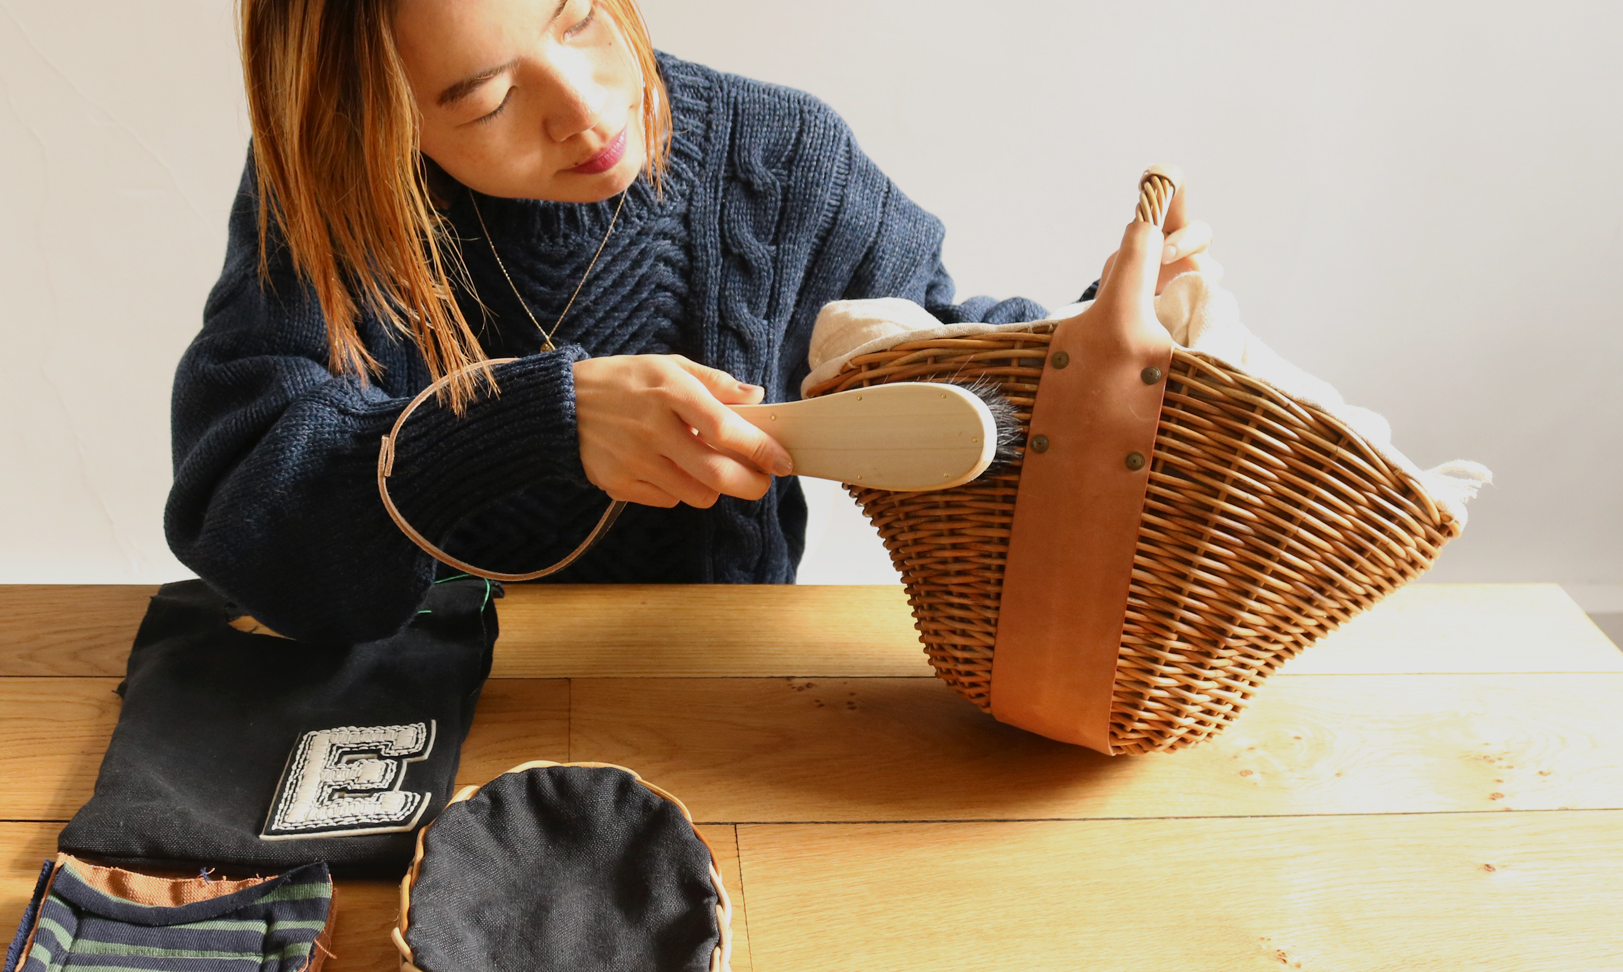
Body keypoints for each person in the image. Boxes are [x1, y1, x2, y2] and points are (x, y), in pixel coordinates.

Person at [167, 0, 1210, 643]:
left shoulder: (777, 157)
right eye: (486, 101)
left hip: (717, 701)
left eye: (576, 16)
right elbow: (242, 519)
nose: (583, 107)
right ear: (374, 122)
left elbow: (941, 357)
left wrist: (1106, 332)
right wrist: (538, 421)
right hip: (435, 717)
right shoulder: (335, 200)